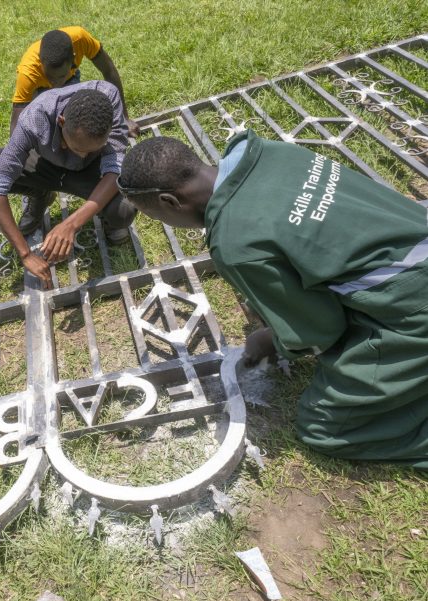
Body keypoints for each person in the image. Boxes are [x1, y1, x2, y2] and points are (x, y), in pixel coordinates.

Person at [117, 130, 428, 469]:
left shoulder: (236, 242)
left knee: (325, 427)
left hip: (414, 307)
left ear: (169, 202)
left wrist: (272, 339)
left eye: (158, 217)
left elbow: (321, 330)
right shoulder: (271, 153)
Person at [0, 82, 136, 288]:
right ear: (61, 122)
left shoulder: (109, 98)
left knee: (124, 209)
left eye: (91, 149)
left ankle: (107, 218)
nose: (81, 155)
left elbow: (114, 167)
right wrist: (25, 254)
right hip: (45, 164)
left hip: (90, 171)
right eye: (77, 147)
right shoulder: (35, 117)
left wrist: (72, 223)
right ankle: (40, 193)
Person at [9, 27, 139, 137]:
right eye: (49, 77)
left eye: (60, 77)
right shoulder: (28, 73)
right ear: (41, 64)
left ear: (73, 60)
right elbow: (16, 124)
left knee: (78, 121)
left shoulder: (81, 39)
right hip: (39, 92)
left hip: (71, 81)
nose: (55, 85)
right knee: (46, 130)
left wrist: (124, 118)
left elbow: (109, 70)